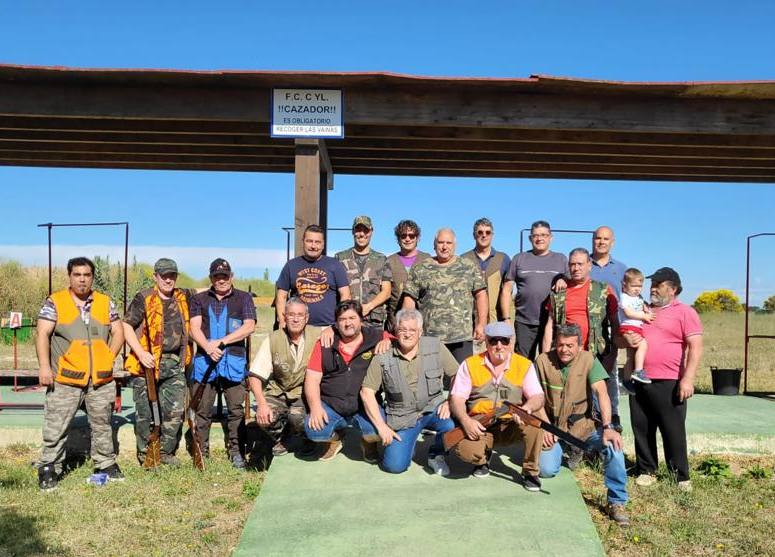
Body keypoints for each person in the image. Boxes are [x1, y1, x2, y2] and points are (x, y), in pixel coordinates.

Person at [35, 257, 125, 490]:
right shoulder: (55, 302)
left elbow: (118, 332)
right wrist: (45, 367)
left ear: (92, 277)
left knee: (103, 423)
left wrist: (107, 355)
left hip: (100, 379)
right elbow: (42, 334)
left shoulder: (105, 302)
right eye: (77, 275)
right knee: (57, 425)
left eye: (87, 275)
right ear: (70, 276)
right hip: (66, 379)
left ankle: (105, 464)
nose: (82, 279)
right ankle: (49, 467)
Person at [534, 323, 630, 526]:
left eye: (570, 345)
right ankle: (570, 451)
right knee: (546, 470)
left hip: (584, 426)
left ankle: (617, 501)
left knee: (614, 447)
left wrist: (608, 427)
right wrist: (544, 427)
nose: (565, 350)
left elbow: (602, 392)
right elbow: (535, 397)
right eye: (560, 345)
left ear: (579, 345)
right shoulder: (542, 362)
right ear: (555, 344)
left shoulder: (588, 359)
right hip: (554, 428)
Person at [623, 267, 703, 491]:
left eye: (658, 284)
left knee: (672, 428)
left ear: (673, 289)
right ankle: (646, 469)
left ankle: (680, 475)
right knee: (642, 426)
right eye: (652, 284)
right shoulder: (643, 310)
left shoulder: (685, 312)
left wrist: (688, 379)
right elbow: (627, 339)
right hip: (639, 379)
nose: (653, 288)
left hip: (669, 380)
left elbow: (695, 348)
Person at [359, 308, 459, 475]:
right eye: (402, 330)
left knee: (452, 424)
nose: (407, 334)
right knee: (394, 466)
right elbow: (366, 391)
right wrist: (381, 427)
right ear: (395, 331)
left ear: (420, 332)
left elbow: (458, 375)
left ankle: (436, 455)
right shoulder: (383, 355)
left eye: (412, 330)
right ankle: (407, 447)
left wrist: (450, 401)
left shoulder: (435, 346)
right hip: (403, 417)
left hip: (433, 408)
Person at [448, 321, 544, 491]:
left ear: (511, 342)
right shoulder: (470, 364)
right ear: (486, 342)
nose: (499, 346)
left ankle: (530, 471)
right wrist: (465, 420)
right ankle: (483, 459)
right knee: (465, 451)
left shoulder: (524, 365)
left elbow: (538, 396)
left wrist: (527, 408)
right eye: (493, 341)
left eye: (504, 341)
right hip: (481, 423)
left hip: (513, 422)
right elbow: (456, 399)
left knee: (535, 425)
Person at [123, 257, 193, 467]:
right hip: (146, 365)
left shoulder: (184, 296)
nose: (168, 280)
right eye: (164, 276)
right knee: (145, 413)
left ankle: (165, 453)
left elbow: (208, 289)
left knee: (174, 412)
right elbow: (126, 326)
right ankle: (146, 454)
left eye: (172, 275)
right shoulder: (143, 297)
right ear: (155, 277)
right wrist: (141, 353)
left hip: (174, 364)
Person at [189, 258, 257, 469]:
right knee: (203, 410)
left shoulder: (244, 298)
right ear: (211, 278)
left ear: (231, 277)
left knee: (236, 410)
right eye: (217, 276)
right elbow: (194, 327)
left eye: (225, 276)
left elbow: (249, 326)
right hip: (205, 360)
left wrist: (222, 342)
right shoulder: (199, 299)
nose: (221, 280)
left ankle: (237, 452)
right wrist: (208, 347)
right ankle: (201, 451)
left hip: (233, 361)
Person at [542, 248, 620, 428]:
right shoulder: (559, 291)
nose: (576, 268)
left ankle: (603, 440)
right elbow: (550, 324)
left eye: (580, 264)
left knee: (601, 400)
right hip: (566, 355)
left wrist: (612, 355)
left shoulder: (603, 290)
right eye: (572, 264)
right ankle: (571, 443)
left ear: (589, 265)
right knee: (570, 403)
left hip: (595, 356)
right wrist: (546, 356)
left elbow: (614, 325)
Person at [303, 300, 391, 462]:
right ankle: (335, 440)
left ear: (361, 320)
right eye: (342, 319)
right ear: (336, 324)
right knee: (313, 430)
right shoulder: (324, 343)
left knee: (379, 429)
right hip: (331, 404)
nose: (348, 323)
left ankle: (368, 443)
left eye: (352, 318)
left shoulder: (376, 337)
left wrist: (389, 341)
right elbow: (312, 380)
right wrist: (315, 408)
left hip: (365, 407)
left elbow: (404, 340)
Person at [248, 297, 321, 456]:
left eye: (300, 315)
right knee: (265, 417)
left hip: (303, 393)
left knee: (297, 418)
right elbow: (255, 375)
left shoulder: (318, 335)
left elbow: (343, 328)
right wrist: (261, 404)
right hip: (279, 391)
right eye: (291, 314)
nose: (295, 319)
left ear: (306, 318)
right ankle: (283, 438)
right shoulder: (273, 339)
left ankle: (307, 438)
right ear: (284, 316)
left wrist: (331, 330)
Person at [402, 228, 487, 363]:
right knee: (432, 380)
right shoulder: (420, 268)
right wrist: (408, 328)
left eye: (449, 243)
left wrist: (481, 324)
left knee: (460, 379)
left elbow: (481, 295)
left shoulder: (468, 266)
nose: (444, 246)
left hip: (461, 338)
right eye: (441, 242)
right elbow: (409, 300)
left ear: (455, 245)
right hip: (429, 338)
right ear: (434, 245)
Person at [500, 220, 567, 360]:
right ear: (530, 238)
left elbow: (573, 284)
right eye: (535, 235)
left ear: (550, 237)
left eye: (543, 235)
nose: (539, 238)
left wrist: (564, 280)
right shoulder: (519, 259)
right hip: (524, 322)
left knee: (550, 361)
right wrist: (506, 319)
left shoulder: (561, 259)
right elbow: (507, 290)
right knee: (522, 362)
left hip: (552, 322)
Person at [589, 225, 629, 429]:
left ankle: (613, 415)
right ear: (593, 240)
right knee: (588, 374)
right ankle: (592, 416)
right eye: (598, 238)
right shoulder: (584, 264)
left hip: (610, 329)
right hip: (586, 331)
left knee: (610, 374)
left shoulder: (621, 268)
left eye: (606, 239)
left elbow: (630, 296)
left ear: (612, 242)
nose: (601, 242)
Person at [276, 224, 351, 328]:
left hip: (328, 328)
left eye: (317, 242)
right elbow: (281, 296)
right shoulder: (291, 265)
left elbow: (345, 295)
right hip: (298, 327)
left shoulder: (334, 265)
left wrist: (338, 322)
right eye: (309, 241)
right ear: (303, 241)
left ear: (323, 244)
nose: (313, 246)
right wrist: (282, 320)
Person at [335, 216, 392, 328]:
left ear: (371, 232)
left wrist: (369, 306)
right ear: (353, 232)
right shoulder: (340, 258)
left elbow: (387, 291)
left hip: (373, 322)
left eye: (365, 230)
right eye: (358, 230)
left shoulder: (381, 259)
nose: (362, 234)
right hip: (348, 322)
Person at [461, 217, 510, 325]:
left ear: (492, 235)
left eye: (488, 232)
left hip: (495, 320)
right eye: (480, 232)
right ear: (474, 235)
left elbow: (507, 292)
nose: (484, 235)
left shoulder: (503, 259)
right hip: (468, 321)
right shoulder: (463, 259)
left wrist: (508, 319)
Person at [384, 219, 430, 332]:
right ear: (398, 239)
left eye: (412, 235)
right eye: (403, 235)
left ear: (417, 238)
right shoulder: (389, 261)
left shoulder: (427, 260)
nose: (408, 239)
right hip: (396, 324)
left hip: (424, 324)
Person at [618, 268, 653, 388]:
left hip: (635, 326)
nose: (637, 289)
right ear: (624, 285)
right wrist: (644, 316)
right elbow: (628, 313)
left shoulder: (639, 297)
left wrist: (646, 309)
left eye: (640, 286)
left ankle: (627, 380)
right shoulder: (624, 297)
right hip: (629, 326)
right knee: (643, 345)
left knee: (630, 355)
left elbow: (642, 305)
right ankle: (639, 370)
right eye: (633, 286)